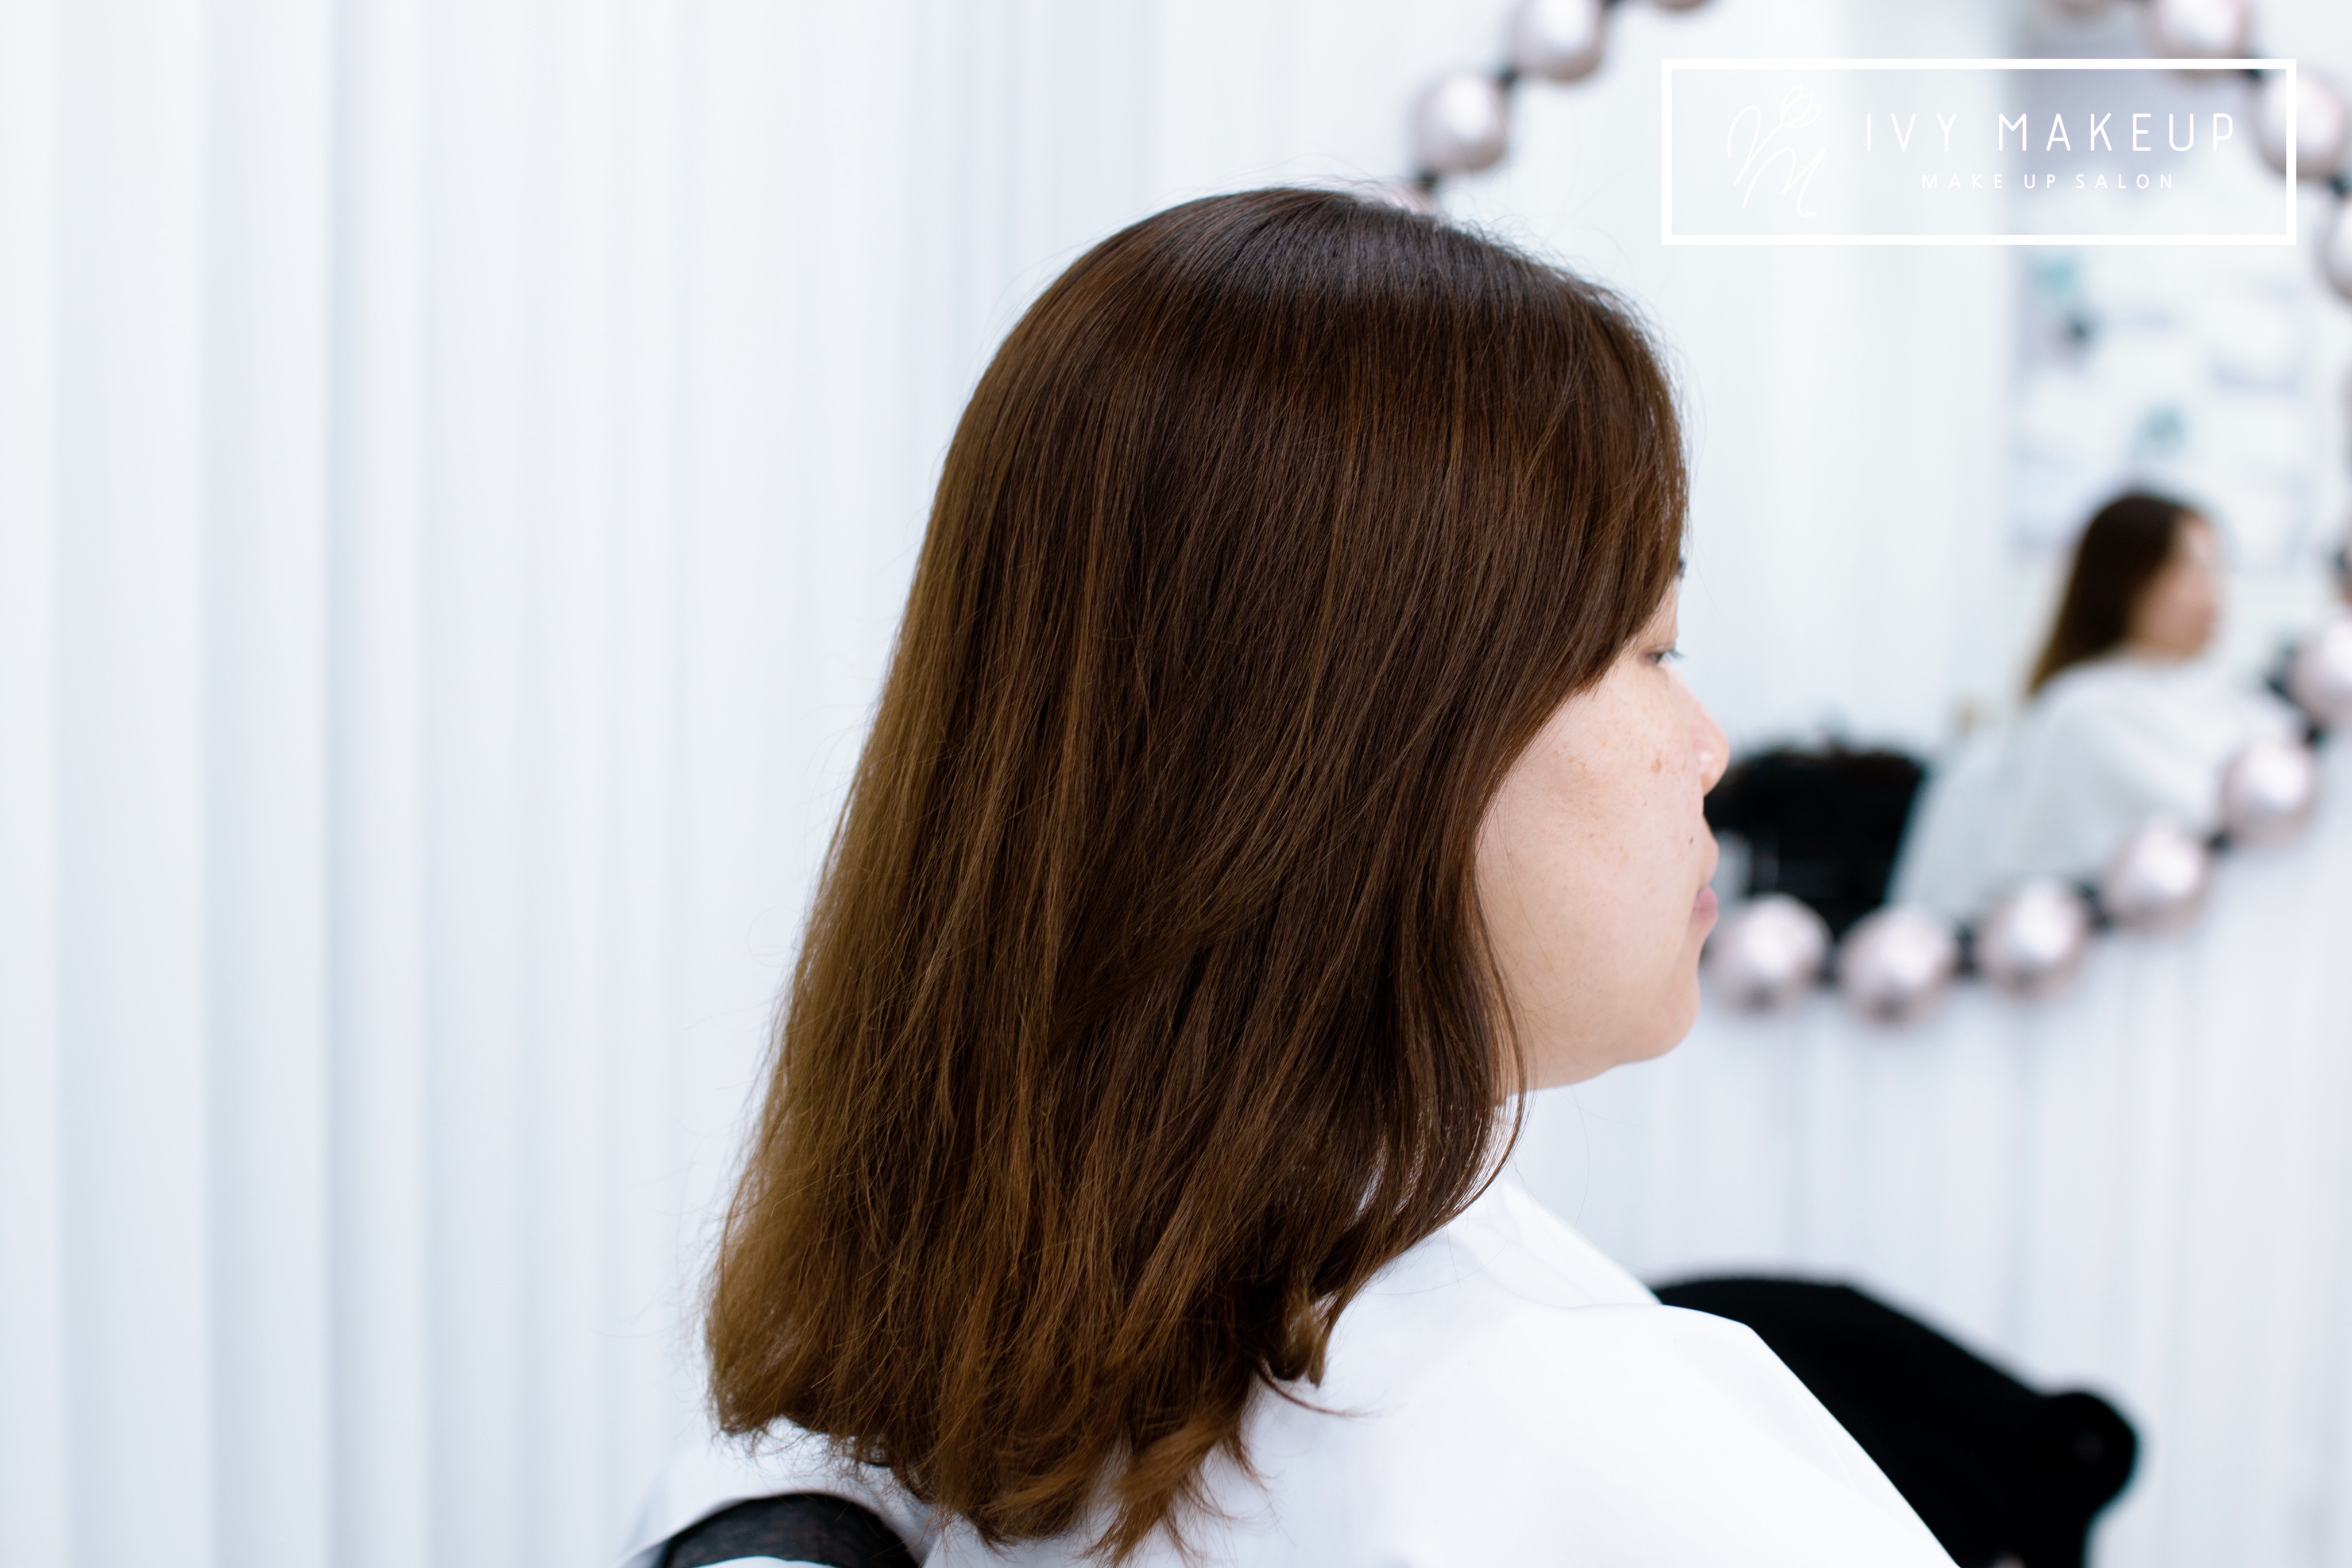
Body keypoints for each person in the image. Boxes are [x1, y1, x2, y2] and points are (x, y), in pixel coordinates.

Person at [621, 188, 1955, 1567]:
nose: (1708, 747)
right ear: (1372, 750)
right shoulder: (1562, 1440)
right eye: (1650, 650)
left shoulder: (963, 1406)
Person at [1894, 492, 2302, 919]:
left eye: (2217, 569)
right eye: (2190, 569)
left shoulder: (2233, 701)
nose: (2212, 593)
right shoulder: (2086, 712)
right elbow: (2229, 824)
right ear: (2128, 580)